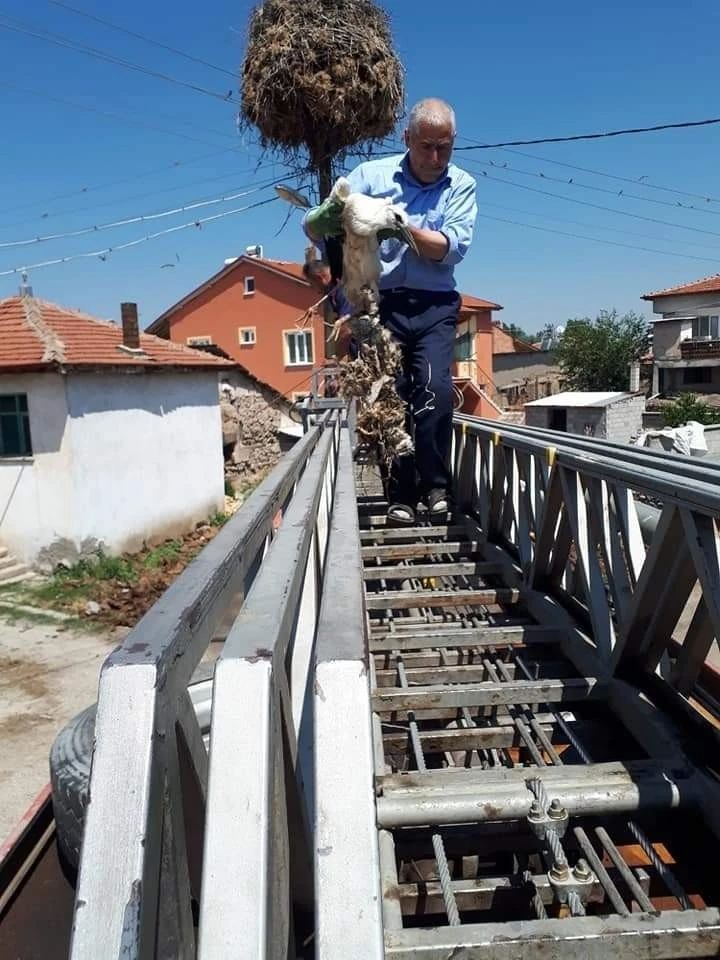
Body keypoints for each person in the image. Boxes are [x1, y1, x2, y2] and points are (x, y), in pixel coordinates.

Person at [303, 97, 477, 524]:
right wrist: (327, 218)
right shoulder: (370, 176)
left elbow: (448, 249)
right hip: (378, 306)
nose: (435, 158)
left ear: (453, 142)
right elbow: (314, 223)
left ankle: (436, 486)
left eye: (444, 148)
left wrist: (397, 224)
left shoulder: (462, 185)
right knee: (389, 397)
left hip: (434, 305)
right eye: (425, 147)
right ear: (407, 139)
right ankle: (399, 492)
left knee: (434, 391)